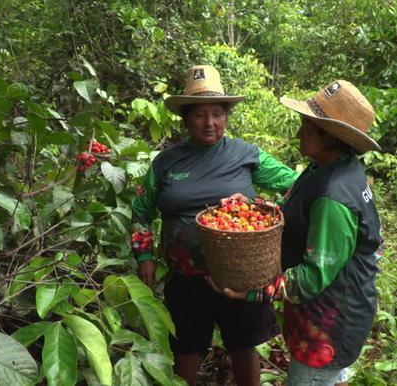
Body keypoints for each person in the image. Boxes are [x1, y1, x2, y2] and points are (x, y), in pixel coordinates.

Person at [130, 64, 299, 386]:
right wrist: (145, 256)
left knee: (244, 344)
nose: (210, 124)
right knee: (186, 347)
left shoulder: (245, 154)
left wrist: (262, 209)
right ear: (185, 118)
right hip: (186, 277)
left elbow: (296, 186)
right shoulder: (166, 162)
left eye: (218, 114)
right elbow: (141, 210)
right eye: (199, 115)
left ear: (226, 116)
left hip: (241, 275)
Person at [209, 80, 383, 386]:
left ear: (329, 137)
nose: (298, 133)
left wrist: (252, 291)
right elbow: (297, 209)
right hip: (334, 312)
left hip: (329, 325)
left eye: (306, 126)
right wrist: (248, 208)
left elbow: (313, 277)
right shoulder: (328, 168)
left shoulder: (333, 196)